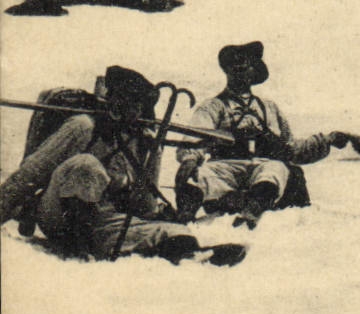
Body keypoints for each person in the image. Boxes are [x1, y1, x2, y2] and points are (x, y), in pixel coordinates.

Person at [0, 66, 247, 264]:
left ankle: (190, 256)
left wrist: (153, 155)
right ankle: (82, 248)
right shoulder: (84, 126)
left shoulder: (141, 140)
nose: (126, 110)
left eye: (134, 104)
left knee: (172, 233)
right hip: (58, 214)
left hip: (102, 218)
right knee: (86, 166)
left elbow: (144, 205)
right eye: (120, 101)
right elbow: (29, 174)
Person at [175, 42, 345, 229]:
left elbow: (291, 148)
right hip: (225, 168)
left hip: (263, 166)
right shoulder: (213, 107)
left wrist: (326, 140)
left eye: (245, 65)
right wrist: (190, 160)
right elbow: (196, 137)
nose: (239, 71)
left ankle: (253, 211)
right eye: (234, 66)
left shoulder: (270, 108)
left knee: (275, 169)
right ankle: (184, 219)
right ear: (227, 71)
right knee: (203, 174)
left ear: (253, 71)